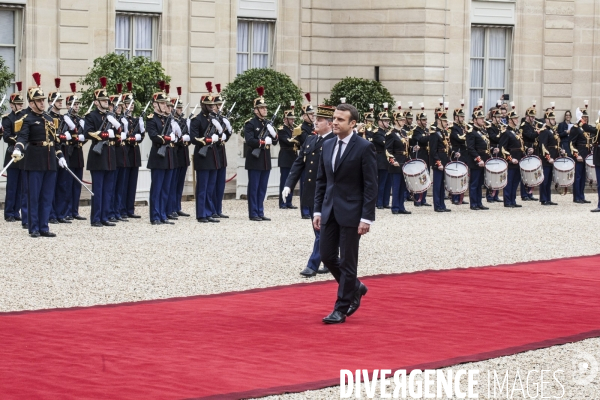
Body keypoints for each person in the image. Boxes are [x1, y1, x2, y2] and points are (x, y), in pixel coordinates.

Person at [313, 103, 377, 324]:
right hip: (329, 210)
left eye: (341, 119)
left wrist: (366, 217)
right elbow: (322, 181)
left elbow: (370, 185)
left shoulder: (364, 147)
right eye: (334, 118)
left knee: (348, 262)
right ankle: (355, 286)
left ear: (352, 123)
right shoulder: (328, 145)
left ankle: (341, 307)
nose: (335, 122)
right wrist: (317, 210)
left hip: (352, 212)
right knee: (326, 255)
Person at [282, 105, 336, 277]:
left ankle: (312, 265)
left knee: (322, 231)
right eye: (315, 119)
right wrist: (288, 184)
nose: (315, 122)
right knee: (319, 230)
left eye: (319, 120)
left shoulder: (335, 141)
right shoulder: (311, 140)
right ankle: (331, 260)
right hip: (312, 192)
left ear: (329, 123)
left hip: (328, 194)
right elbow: (299, 163)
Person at [12, 72, 68, 237]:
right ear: (31, 102)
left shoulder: (49, 119)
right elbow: (22, 137)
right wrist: (18, 148)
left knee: (47, 196)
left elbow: (55, 140)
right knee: (34, 196)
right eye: (39, 100)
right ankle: (34, 227)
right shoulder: (27, 118)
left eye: (43, 100)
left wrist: (60, 156)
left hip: (50, 161)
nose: (43, 103)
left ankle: (44, 227)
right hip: (34, 161)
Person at [84, 77, 122, 227]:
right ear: (96, 102)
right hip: (97, 156)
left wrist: (118, 132)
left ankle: (105, 216)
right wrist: (105, 134)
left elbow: (118, 136)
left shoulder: (111, 117)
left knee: (108, 189)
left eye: (107, 100)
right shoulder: (91, 116)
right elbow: (88, 133)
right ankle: (96, 218)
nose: (106, 102)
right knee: (98, 189)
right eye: (103, 100)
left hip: (110, 155)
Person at [146, 81, 179, 225]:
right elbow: (153, 135)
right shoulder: (151, 119)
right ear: (155, 105)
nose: (166, 105)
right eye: (162, 103)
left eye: (165, 103)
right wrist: (167, 138)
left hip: (169, 157)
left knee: (166, 189)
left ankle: (163, 214)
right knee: (157, 189)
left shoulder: (168, 119)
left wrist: (176, 135)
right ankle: (155, 216)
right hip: (158, 157)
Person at [244, 86, 278, 221]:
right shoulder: (250, 124)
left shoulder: (268, 123)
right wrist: (263, 142)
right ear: (256, 110)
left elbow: (275, 141)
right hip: (254, 159)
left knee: (262, 188)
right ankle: (253, 213)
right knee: (254, 188)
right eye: (262, 108)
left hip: (265, 160)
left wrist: (274, 134)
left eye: (266, 108)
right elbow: (250, 140)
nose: (265, 110)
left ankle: (260, 211)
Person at [190, 82, 222, 223]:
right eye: (209, 105)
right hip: (203, 156)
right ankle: (201, 214)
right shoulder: (197, 120)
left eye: (213, 105)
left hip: (213, 157)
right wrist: (208, 140)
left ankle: (209, 212)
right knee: (202, 188)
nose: (212, 107)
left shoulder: (214, 119)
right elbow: (194, 138)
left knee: (210, 188)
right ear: (203, 105)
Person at [62, 85, 87, 221]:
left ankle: (74, 210)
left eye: (77, 104)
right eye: (73, 104)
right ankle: (66, 211)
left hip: (78, 153)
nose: (76, 106)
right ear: (67, 105)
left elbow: (86, 135)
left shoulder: (79, 120)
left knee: (77, 183)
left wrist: (82, 138)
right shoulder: (65, 119)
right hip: (68, 152)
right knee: (67, 183)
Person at [2, 81, 25, 223]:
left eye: (22, 104)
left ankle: (17, 211)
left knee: (21, 187)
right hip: (12, 154)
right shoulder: (7, 118)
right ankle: (9, 212)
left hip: (22, 155)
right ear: (12, 105)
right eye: (18, 104)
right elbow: (6, 137)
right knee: (12, 186)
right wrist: (16, 138)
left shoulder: (25, 117)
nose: (21, 106)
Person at [122, 82, 145, 219]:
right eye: (128, 103)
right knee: (124, 183)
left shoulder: (135, 119)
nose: (131, 106)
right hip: (125, 153)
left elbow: (140, 137)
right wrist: (131, 138)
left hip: (134, 153)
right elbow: (122, 137)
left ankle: (130, 208)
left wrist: (141, 133)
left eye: (132, 103)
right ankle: (122, 209)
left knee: (132, 183)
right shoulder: (121, 119)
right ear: (124, 105)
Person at [47, 80, 67, 224]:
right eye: (58, 101)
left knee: (62, 184)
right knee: (51, 186)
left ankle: (60, 213)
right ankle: (51, 214)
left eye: (61, 100)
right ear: (51, 102)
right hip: (51, 153)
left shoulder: (62, 118)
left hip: (63, 153)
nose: (60, 103)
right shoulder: (48, 117)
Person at [385, 105, 411, 215]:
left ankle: (401, 206)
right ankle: (395, 207)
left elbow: (406, 147)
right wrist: (392, 160)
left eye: (403, 120)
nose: (403, 121)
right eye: (401, 120)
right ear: (396, 121)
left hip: (404, 161)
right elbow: (388, 149)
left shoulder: (404, 133)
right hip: (396, 162)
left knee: (403, 186)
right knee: (396, 186)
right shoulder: (390, 134)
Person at [569, 103, 597, 204]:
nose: (586, 119)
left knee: (583, 177)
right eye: (584, 117)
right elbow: (571, 143)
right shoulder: (575, 128)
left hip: (586, 154)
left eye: (586, 117)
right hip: (579, 154)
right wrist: (577, 155)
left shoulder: (586, 128)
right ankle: (577, 197)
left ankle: (582, 195)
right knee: (578, 176)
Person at [212, 84, 232, 219]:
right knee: (212, 185)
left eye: (221, 105)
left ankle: (218, 209)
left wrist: (227, 133)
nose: (220, 107)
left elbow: (226, 135)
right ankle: (212, 209)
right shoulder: (211, 119)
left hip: (221, 153)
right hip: (212, 153)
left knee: (220, 184)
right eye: (218, 105)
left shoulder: (221, 118)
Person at [172, 88, 192, 218]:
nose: (180, 110)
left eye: (181, 108)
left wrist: (187, 139)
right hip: (175, 155)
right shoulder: (172, 122)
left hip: (183, 155)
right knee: (173, 184)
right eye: (178, 108)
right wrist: (181, 140)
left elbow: (189, 138)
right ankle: (172, 207)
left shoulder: (184, 121)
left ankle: (178, 206)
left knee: (180, 184)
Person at [499, 104, 524, 208]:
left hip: (519, 158)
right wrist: (510, 159)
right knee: (509, 181)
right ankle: (508, 201)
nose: (517, 120)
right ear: (510, 120)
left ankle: (513, 200)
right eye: (514, 118)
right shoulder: (506, 132)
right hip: (511, 159)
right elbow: (503, 148)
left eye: (517, 118)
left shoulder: (516, 131)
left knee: (515, 181)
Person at [466, 109, 491, 210]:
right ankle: (473, 203)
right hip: (476, 161)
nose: (482, 120)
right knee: (474, 183)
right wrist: (478, 159)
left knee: (480, 183)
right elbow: (470, 148)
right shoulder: (471, 131)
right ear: (475, 120)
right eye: (480, 118)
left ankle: (479, 202)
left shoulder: (483, 130)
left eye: (483, 118)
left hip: (484, 159)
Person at [429, 107, 451, 212]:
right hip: (438, 162)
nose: (446, 122)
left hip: (445, 160)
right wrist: (438, 163)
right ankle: (437, 205)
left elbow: (446, 147)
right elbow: (433, 151)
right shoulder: (434, 133)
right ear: (439, 121)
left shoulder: (444, 132)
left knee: (443, 184)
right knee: (437, 185)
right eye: (444, 121)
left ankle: (442, 204)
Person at [277, 103, 299, 209]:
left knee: (292, 180)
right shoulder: (281, 129)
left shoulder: (293, 129)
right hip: (285, 157)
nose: (292, 121)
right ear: (285, 119)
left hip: (293, 156)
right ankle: (283, 202)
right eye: (290, 119)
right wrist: (297, 138)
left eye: (293, 119)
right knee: (284, 180)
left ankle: (289, 201)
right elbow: (287, 141)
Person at [410, 104, 431, 207]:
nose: (425, 122)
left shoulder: (426, 130)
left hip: (426, 155)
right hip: (420, 155)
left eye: (425, 120)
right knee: (419, 178)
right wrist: (430, 136)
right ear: (418, 121)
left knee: (426, 177)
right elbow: (421, 140)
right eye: (423, 120)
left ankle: (424, 199)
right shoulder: (416, 130)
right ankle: (417, 199)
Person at [298, 93, 315, 218]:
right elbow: (307, 142)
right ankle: (305, 211)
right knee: (305, 185)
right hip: (306, 160)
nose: (313, 116)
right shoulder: (302, 129)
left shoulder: (314, 127)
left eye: (313, 114)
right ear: (304, 116)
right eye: (310, 114)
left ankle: (312, 208)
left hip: (315, 161)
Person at [538, 110, 559, 205]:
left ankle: (548, 198)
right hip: (546, 159)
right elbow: (543, 146)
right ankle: (543, 198)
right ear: (547, 120)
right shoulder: (544, 131)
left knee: (549, 180)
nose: (554, 120)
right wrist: (548, 157)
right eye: (552, 119)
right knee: (545, 180)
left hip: (553, 157)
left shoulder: (551, 130)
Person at [373, 103, 392, 209]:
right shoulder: (377, 133)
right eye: (385, 121)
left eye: (388, 120)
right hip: (381, 160)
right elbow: (385, 144)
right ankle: (379, 202)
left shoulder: (388, 132)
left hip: (388, 160)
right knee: (381, 182)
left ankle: (386, 202)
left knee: (388, 182)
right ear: (379, 122)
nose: (387, 122)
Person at [519, 104, 539, 201]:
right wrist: (538, 132)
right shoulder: (524, 125)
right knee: (525, 173)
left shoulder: (532, 125)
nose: (533, 118)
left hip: (532, 148)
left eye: (534, 116)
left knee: (531, 172)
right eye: (532, 116)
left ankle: (530, 192)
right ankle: (524, 194)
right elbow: (530, 136)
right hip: (526, 148)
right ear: (527, 116)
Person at [449, 103, 467, 205]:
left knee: (463, 175)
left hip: (464, 152)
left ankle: (461, 196)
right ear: (456, 117)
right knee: (456, 176)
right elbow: (459, 138)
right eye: (461, 116)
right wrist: (467, 134)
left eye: (463, 116)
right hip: (457, 152)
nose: (463, 118)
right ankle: (454, 196)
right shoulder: (453, 127)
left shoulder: (462, 127)